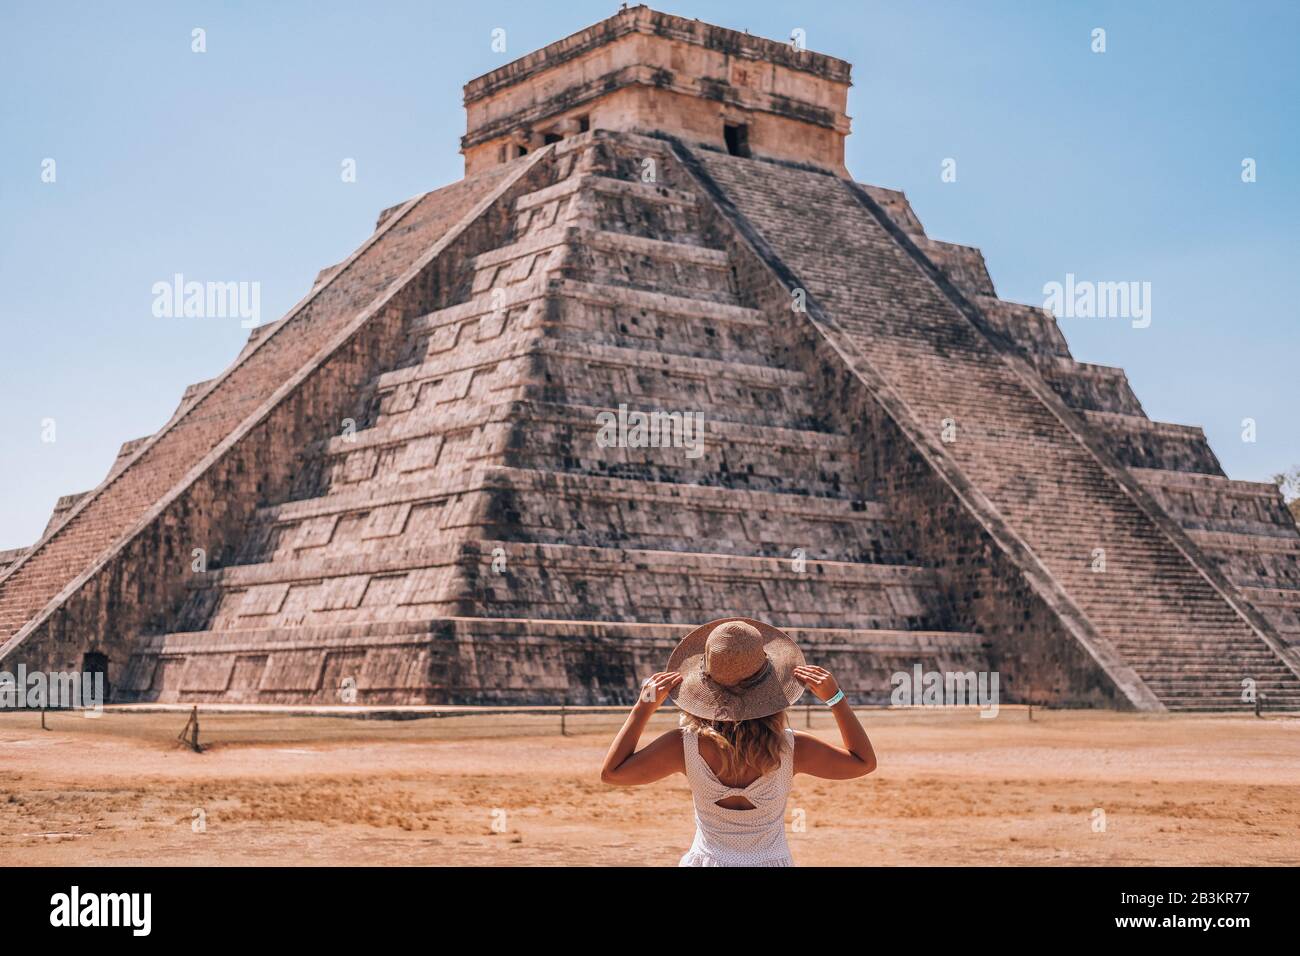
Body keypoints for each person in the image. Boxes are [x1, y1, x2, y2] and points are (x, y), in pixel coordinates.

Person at [600, 617, 877, 866]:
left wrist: (642, 707)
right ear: (770, 685)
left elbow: (613, 773)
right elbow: (863, 762)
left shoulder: (684, 746)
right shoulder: (792, 749)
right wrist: (836, 699)